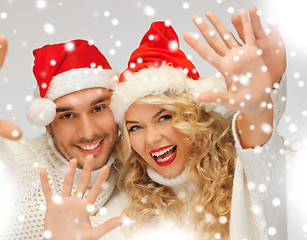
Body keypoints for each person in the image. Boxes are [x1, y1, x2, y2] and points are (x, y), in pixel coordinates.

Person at [108, 7, 287, 240]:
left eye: (164, 117)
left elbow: (261, 154)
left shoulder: (245, 177)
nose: (151, 138)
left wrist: (257, 105)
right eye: (135, 127)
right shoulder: (126, 211)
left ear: (194, 118)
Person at [0, 38, 122, 239]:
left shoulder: (136, 171)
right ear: (48, 123)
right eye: (67, 115)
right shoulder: (23, 165)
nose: (88, 132)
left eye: (98, 108)